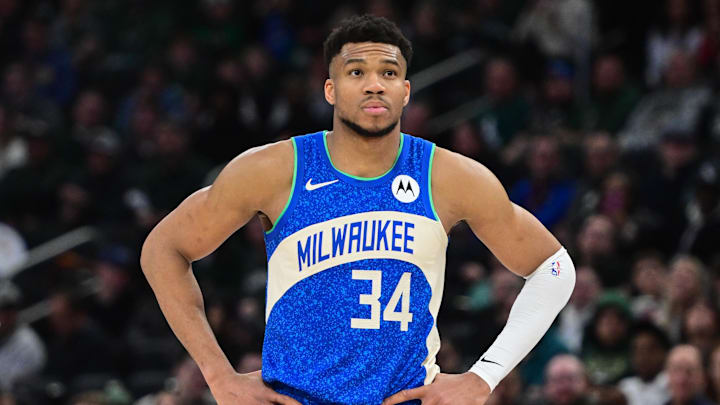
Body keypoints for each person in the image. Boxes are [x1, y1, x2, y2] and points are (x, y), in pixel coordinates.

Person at [140, 15, 576, 405]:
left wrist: (484, 377)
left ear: (405, 92)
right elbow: (163, 249)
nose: (374, 84)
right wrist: (219, 376)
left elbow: (554, 268)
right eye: (356, 72)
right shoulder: (275, 170)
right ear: (330, 89)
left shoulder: (449, 176)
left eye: (389, 73)